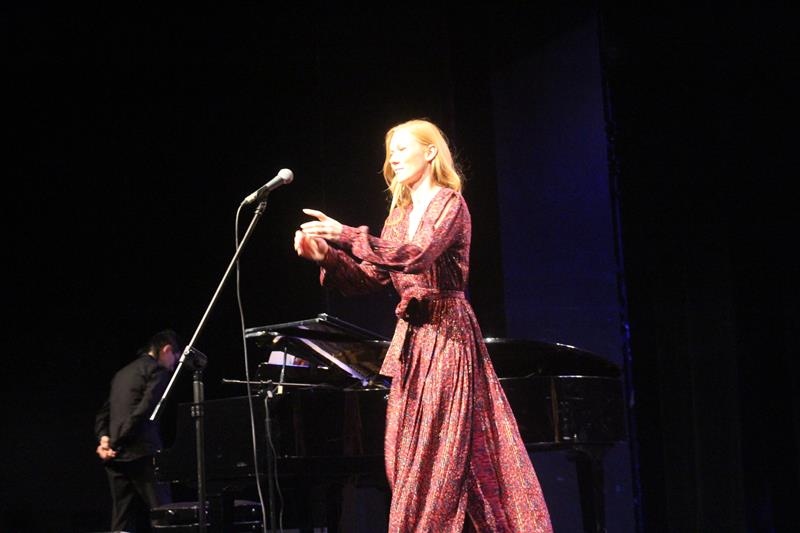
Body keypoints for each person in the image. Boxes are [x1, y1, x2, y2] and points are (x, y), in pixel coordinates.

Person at [294, 119, 552, 532]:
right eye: (389, 152)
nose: (393, 158)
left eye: (402, 148)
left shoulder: (449, 203)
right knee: (407, 454)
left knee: (439, 449)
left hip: (448, 335)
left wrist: (346, 234)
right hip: (412, 345)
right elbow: (370, 278)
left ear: (430, 152)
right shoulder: (397, 217)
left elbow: (418, 254)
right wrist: (327, 256)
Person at [94, 329, 182, 532]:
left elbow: (103, 414)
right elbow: (142, 413)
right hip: (142, 453)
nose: (173, 367)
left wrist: (104, 440)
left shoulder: (121, 374)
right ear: (167, 350)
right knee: (163, 514)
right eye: (175, 360)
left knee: (121, 519)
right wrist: (114, 442)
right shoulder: (157, 371)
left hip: (115, 457)